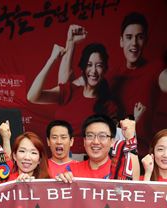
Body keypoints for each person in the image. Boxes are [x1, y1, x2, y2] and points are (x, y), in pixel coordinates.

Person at [27, 25, 118, 153]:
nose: (93, 71)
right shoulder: (71, 91)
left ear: (105, 70)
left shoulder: (108, 105)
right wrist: (52, 59)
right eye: (89, 65)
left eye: (99, 66)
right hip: (58, 160)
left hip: (87, 164)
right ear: (82, 68)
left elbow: (111, 145)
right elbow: (32, 96)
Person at [110, 12, 167, 155]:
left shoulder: (155, 68)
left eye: (140, 37)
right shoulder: (113, 74)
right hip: (116, 153)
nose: (134, 43)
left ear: (146, 40)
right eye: (129, 37)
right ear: (121, 41)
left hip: (143, 153)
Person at [56, 114, 139, 182]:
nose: (95, 142)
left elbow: (135, 182)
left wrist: (130, 138)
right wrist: (62, 180)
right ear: (84, 141)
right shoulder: (72, 170)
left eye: (102, 136)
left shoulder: (119, 168)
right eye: (90, 136)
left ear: (112, 142)